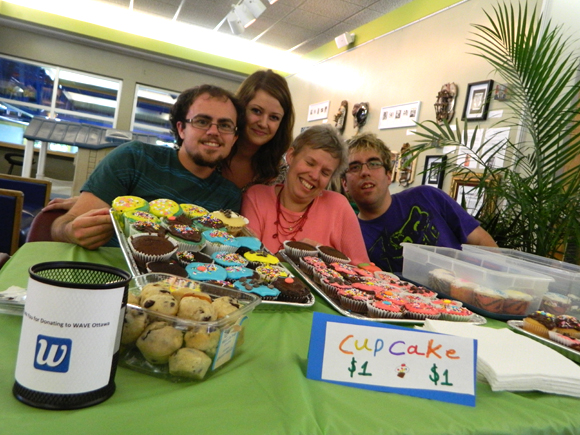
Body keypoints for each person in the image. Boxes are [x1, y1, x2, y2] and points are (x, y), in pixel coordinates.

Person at [51, 84, 243, 250]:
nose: (213, 131)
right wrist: (71, 231)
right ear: (181, 129)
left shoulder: (228, 199)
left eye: (225, 125)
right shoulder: (134, 158)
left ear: (234, 138)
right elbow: (62, 225)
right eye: (202, 121)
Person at [341, 132, 497, 273]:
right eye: (354, 167)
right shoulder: (351, 235)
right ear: (345, 184)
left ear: (389, 175)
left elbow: (482, 242)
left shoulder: (427, 197)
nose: (365, 172)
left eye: (374, 164)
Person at [241, 125, 369, 265]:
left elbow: (362, 268)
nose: (314, 175)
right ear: (291, 156)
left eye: (325, 173)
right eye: (310, 163)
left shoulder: (338, 206)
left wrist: (324, 264)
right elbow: (248, 260)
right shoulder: (257, 197)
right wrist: (289, 256)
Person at [221, 69, 294, 190]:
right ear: (241, 108)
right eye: (256, 111)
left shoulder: (279, 172)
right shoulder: (214, 150)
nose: (263, 124)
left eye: (274, 117)